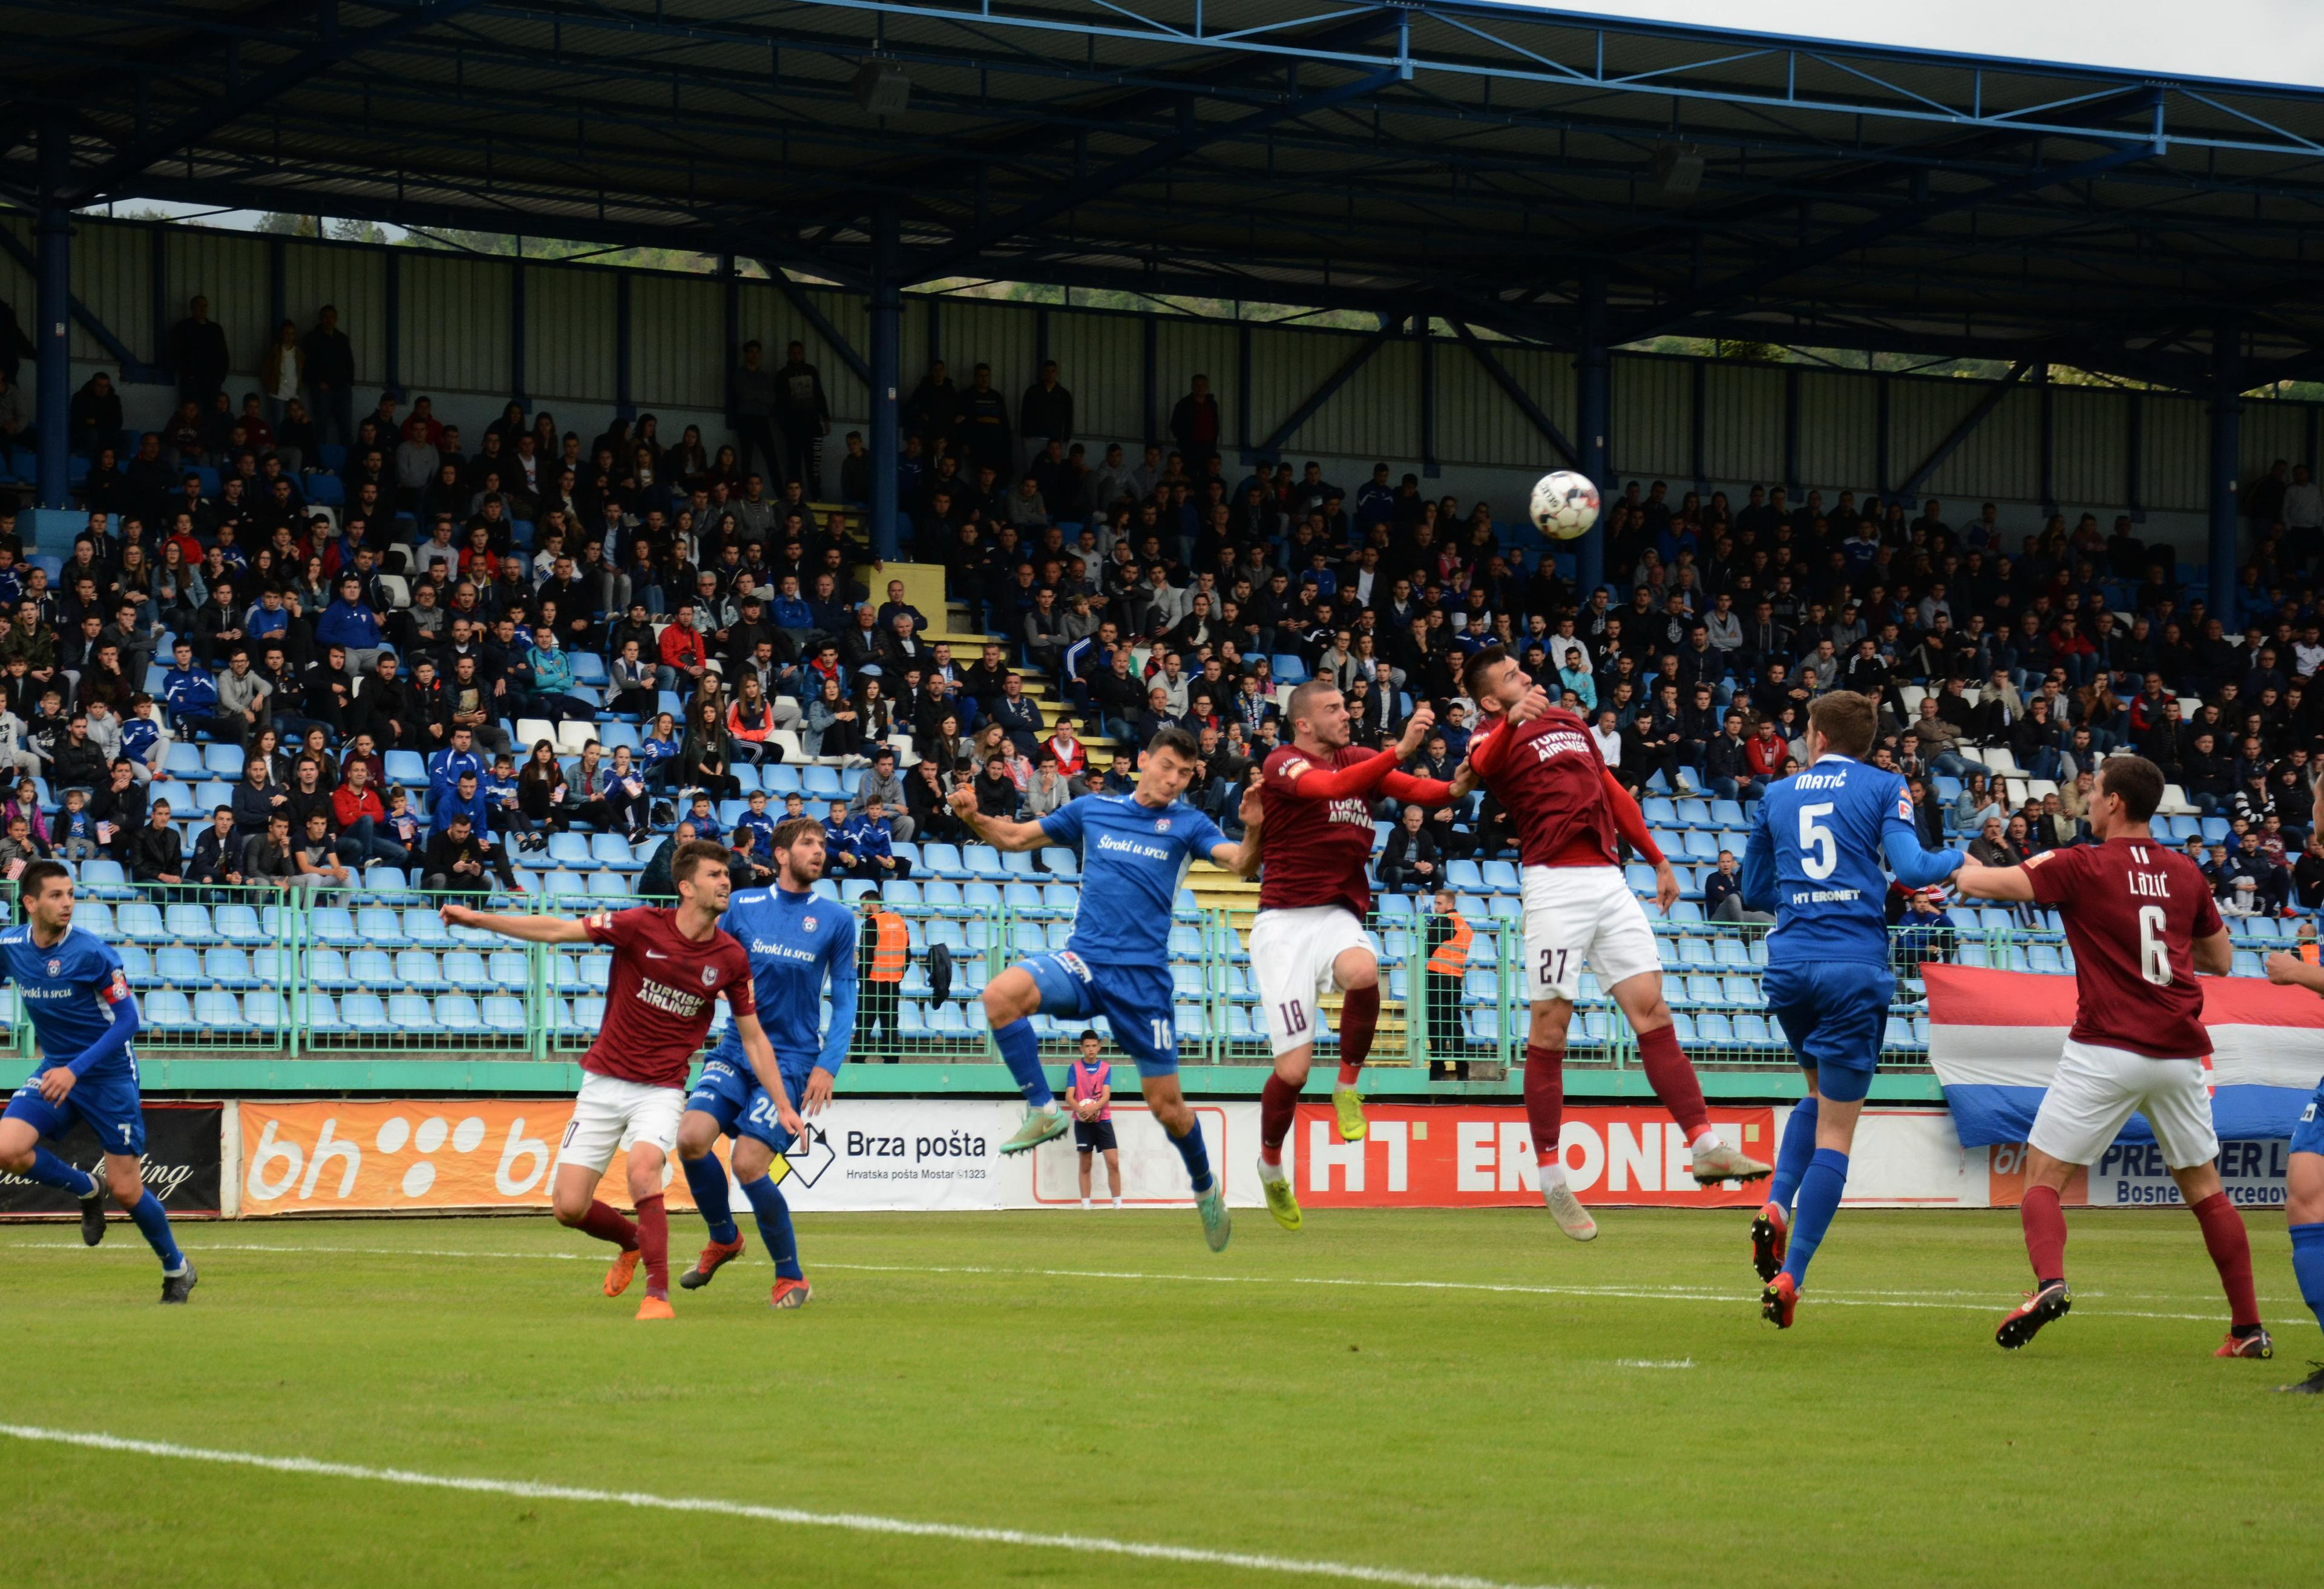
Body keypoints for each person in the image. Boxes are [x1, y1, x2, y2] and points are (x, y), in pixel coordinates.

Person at [1952, 755, 2270, 1359]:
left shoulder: (2083, 864)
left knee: (2042, 1178)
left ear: (2116, 802)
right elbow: (2222, 961)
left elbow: (1986, 883)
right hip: (2180, 1052)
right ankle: (2248, 1329)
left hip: (2106, 1045)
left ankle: (2050, 1283)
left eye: (2094, 793)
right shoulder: (2185, 871)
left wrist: (1945, 863)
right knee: (2207, 1191)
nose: (2087, 802)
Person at [1450, 645, 1768, 1242]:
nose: (1527, 676)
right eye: (1512, 677)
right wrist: (1511, 723)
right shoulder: (1489, 734)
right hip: (1554, 886)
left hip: (1610, 879)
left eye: (1524, 669)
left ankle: (1703, 1144)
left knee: (1653, 1010)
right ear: (1491, 698)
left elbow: (1611, 791)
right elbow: (1483, 763)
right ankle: (1551, 1177)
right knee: (1551, 1029)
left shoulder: (1570, 722)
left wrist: (1657, 858)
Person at [947, 726, 1263, 1250]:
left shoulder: (1188, 823)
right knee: (999, 995)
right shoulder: (1094, 808)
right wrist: (971, 816)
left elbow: (1241, 863)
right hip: (1085, 962)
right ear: (1142, 760)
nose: (1174, 779)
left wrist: (1254, 830)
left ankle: (1206, 1188)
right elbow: (1015, 838)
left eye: (1185, 773)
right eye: (1167, 766)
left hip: (1143, 984)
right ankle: (1045, 1108)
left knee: (1167, 1106)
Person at [439, 841, 781, 1319]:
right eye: (714, 874)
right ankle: (633, 1241)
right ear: (686, 887)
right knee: (569, 1207)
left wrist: (784, 1104)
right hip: (603, 1082)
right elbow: (558, 930)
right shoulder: (639, 924)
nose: (726, 881)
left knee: (643, 1169)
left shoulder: (730, 956)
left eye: (727, 874)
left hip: (661, 1088)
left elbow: (754, 1038)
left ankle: (657, 1296)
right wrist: (480, 920)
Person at [1740, 693, 1965, 1328]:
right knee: (1840, 1129)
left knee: (1816, 1097)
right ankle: (1794, 1276)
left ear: (1814, 736)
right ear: (1866, 743)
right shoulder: (1885, 784)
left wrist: (1812, 888)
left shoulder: (1778, 794)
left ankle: (1777, 1203)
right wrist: (1962, 859)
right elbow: (1917, 865)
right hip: (1854, 969)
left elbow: (1755, 890)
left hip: (1789, 968)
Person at [1247, 683, 1456, 1232]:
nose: (1347, 713)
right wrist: (1399, 750)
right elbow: (1332, 786)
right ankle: (1270, 1165)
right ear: (1305, 723)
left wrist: (1478, 766)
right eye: (1333, 708)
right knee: (1292, 1072)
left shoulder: (1361, 758)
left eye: (1347, 705)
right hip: (1283, 924)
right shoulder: (1282, 762)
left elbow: (1426, 792)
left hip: (1336, 914)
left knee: (1366, 973)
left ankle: (1346, 1086)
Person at [672, 818, 855, 1311]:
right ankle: (724, 1237)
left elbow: (846, 997)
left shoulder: (838, 919)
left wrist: (828, 1064)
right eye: (808, 844)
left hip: (794, 1059)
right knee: (690, 1138)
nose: (819, 852)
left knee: (749, 1163)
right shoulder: (745, 907)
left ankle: (789, 1275)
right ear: (779, 854)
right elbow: (704, 964)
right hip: (736, 1047)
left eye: (823, 844)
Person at [0, 861, 194, 1301]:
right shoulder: (10, 944)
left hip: (107, 1075)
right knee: (7, 1148)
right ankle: (88, 1187)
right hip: (57, 1069)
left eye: (70, 893)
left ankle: (176, 1268)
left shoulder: (93, 953)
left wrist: (75, 1069)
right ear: (30, 903)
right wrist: (63, 1069)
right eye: (55, 895)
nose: (67, 902)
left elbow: (128, 1020)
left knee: (128, 1190)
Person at [1064, 1030, 1122, 1209]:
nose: (1091, 1049)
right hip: (1083, 1122)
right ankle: (1086, 1205)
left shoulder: (1105, 1068)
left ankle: (1118, 1205)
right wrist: (1082, 1111)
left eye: (1094, 1046)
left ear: (1099, 1047)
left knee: (1113, 1162)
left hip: (1103, 1120)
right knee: (1086, 1164)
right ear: (1081, 1048)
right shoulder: (1075, 1068)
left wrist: (1093, 1109)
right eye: (1087, 1046)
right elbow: (1069, 1096)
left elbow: (1106, 1095)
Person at [1422, 887, 1471, 1059]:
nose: (1436, 907)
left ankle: (1437, 1068)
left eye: (1439, 903)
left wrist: (1428, 928)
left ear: (1450, 905)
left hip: (1437, 977)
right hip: (1455, 979)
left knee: (1436, 1024)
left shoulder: (1444, 921)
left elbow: (1426, 949)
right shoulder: (1463, 925)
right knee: (1455, 1024)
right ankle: (1462, 1068)